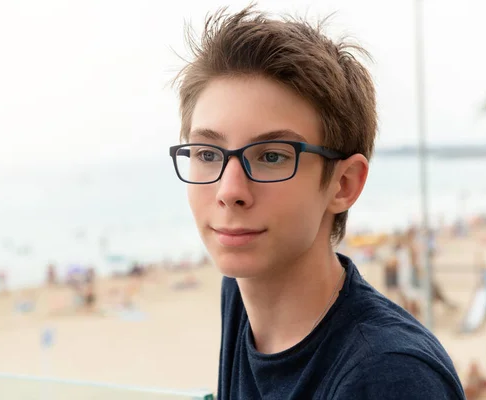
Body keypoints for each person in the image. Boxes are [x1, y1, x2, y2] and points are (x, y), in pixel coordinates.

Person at [169, 5, 465, 399]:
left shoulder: (387, 376)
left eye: (271, 156)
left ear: (343, 183)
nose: (229, 190)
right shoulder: (240, 293)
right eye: (207, 153)